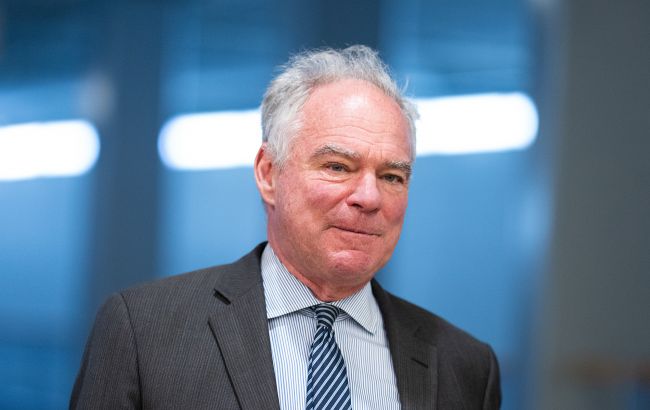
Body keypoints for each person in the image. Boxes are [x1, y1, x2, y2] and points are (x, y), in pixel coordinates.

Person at [71, 45, 501, 409]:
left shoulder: (466, 367)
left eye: (392, 176)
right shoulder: (144, 332)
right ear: (269, 173)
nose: (369, 197)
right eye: (338, 166)